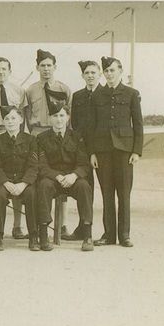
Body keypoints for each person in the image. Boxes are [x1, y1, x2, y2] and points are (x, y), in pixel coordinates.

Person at [88, 57, 143, 248]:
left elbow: (138, 124)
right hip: (102, 151)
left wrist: (136, 151)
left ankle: (125, 235)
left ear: (120, 71)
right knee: (107, 194)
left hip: (124, 151)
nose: (109, 74)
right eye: (106, 71)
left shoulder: (131, 94)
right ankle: (109, 235)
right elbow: (92, 126)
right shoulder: (97, 95)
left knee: (124, 194)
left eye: (112, 70)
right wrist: (92, 153)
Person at [25, 49, 72, 239]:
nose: (46, 69)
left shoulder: (63, 89)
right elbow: (27, 116)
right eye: (42, 66)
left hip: (57, 133)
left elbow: (69, 115)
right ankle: (38, 225)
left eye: (49, 65)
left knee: (61, 176)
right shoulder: (31, 90)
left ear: (55, 67)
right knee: (38, 181)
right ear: (37, 67)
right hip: (38, 133)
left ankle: (63, 225)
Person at [35, 102, 94, 252]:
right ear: (50, 119)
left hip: (72, 180)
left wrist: (74, 176)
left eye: (62, 115)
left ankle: (87, 235)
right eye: (55, 116)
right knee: (43, 186)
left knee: (84, 186)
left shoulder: (77, 136)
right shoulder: (41, 138)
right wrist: (56, 176)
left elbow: (84, 164)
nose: (59, 119)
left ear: (68, 117)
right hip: (53, 180)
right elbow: (41, 165)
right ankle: (43, 234)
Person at [0, 106, 40, 251]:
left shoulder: (31, 139)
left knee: (32, 194)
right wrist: (5, 182)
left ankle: (33, 236)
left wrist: (23, 184)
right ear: (3, 122)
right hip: (5, 181)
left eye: (13, 118)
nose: (10, 122)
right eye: (7, 119)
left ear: (20, 119)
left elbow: (33, 166)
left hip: (23, 181)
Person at [64, 60, 102, 241]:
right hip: (82, 150)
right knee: (85, 189)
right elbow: (75, 124)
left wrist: (95, 150)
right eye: (87, 73)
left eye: (93, 72)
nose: (90, 75)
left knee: (107, 191)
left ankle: (110, 231)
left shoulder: (105, 94)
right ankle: (84, 228)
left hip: (102, 150)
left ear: (99, 74)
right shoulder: (78, 96)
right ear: (83, 76)